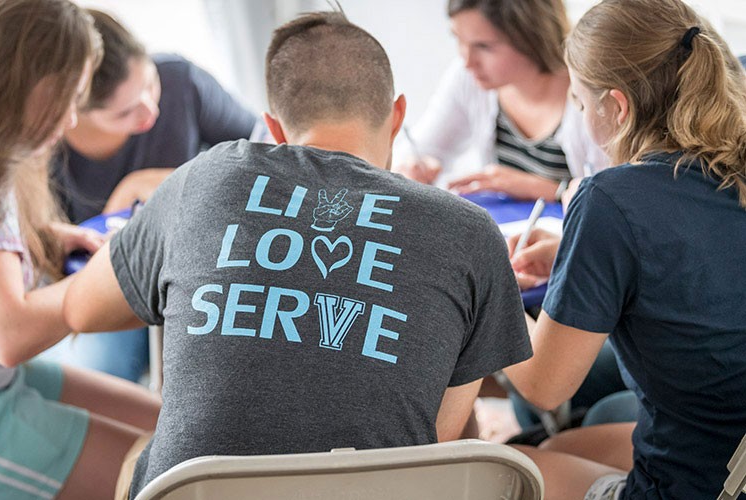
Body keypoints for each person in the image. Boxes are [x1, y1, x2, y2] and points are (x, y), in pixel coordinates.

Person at [64, 9, 533, 498]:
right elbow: (438, 441)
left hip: (194, 491)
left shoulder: (204, 180)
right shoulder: (469, 233)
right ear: (397, 115)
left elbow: (80, 308)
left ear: (274, 127)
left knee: (139, 457)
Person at [502, 0, 746, 498]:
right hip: (731, 452)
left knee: (511, 464)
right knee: (572, 441)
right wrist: (575, 252)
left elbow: (543, 384)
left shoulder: (611, 199)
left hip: (697, 485)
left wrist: (488, 289)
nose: (581, 114)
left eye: (580, 102)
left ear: (616, 106)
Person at [0, 2, 161, 499]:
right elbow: (8, 333)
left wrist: (44, 239)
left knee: (171, 428)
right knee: (172, 476)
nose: (73, 118)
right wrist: (107, 278)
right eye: (69, 100)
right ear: (29, 83)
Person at [41, 9, 260, 382]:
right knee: (97, 376)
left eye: (149, 84)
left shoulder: (181, 81)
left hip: (205, 266)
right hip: (111, 286)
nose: (151, 111)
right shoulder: (47, 150)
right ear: (75, 112)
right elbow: (50, 268)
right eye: (125, 112)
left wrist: (159, 183)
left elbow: (269, 154)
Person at [394, 0, 608, 201]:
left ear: (531, 37)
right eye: (458, 39)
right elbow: (418, 151)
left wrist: (552, 191)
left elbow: (612, 200)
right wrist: (413, 168)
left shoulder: (591, 96)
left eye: (484, 46)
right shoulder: (468, 79)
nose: (467, 60)